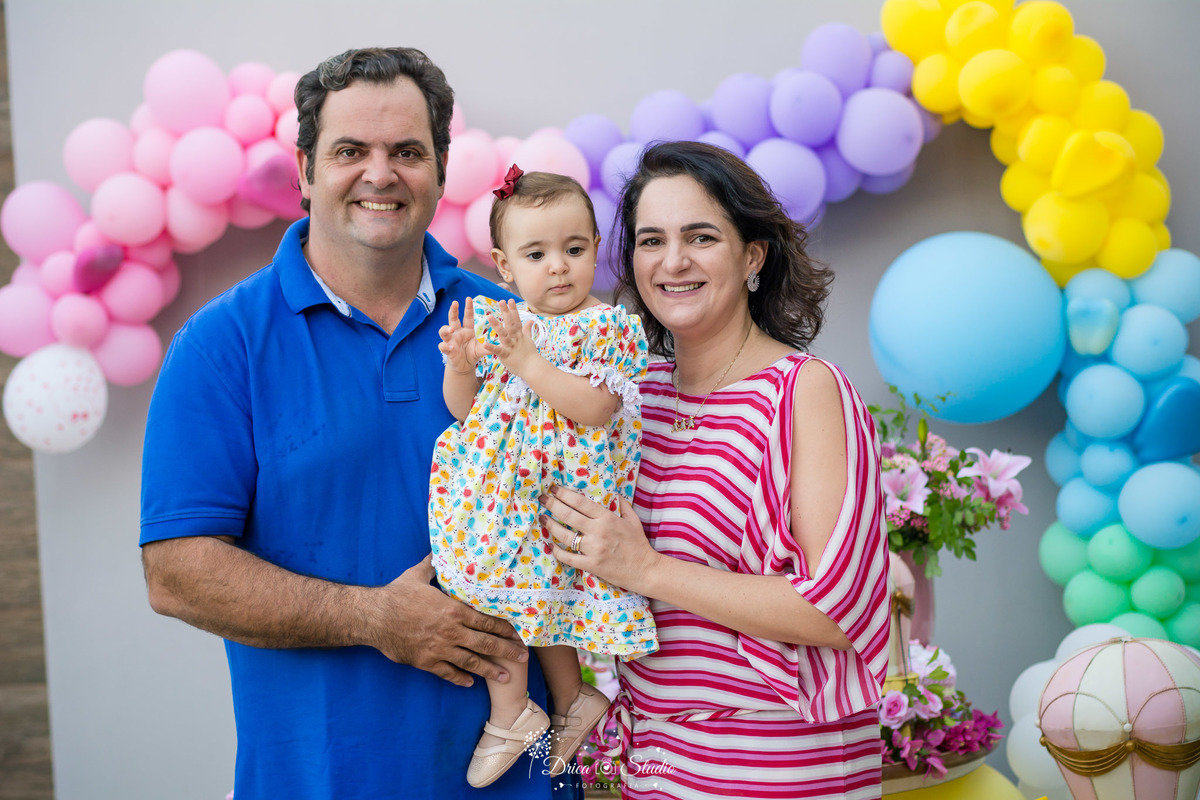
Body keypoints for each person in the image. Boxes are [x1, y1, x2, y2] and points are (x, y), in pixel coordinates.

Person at [139, 47, 573, 800]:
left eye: (408, 151)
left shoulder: (516, 327)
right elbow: (176, 573)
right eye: (350, 152)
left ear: (440, 170)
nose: (381, 174)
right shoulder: (223, 345)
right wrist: (373, 618)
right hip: (320, 780)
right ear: (305, 170)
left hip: (527, 783)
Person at [539, 141, 890, 799]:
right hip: (656, 768)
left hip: (783, 771)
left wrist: (644, 568)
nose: (673, 261)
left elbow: (839, 609)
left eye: (700, 236)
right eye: (651, 240)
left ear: (752, 255)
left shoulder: (804, 391)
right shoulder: (629, 392)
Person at [430, 167, 657, 788]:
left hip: (562, 492)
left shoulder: (605, 326)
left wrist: (526, 359)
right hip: (505, 494)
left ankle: (515, 710)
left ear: (595, 251)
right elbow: (464, 410)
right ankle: (568, 700)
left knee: (531, 588)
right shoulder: (499, 320)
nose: (559, 267)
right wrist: (459, 364)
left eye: (575, 249)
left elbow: (597, 407)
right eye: (537, 254)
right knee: (514, 595)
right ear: (505, 266)